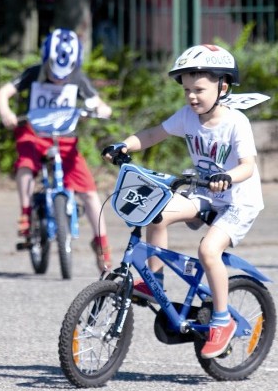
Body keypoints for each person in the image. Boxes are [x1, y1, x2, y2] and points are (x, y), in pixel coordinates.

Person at [102, 44, 264, 359]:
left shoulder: (235, 123)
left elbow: (248, 166)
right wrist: (125, 145)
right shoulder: (187, 117)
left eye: (199, 89)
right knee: (155, 214)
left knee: (207, 250)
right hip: (204, 192)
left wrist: (228, 177)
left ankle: (221, 321)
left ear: (223, 86)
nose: (191, 96)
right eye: (187, 89)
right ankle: (154, 281)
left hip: (237, 200)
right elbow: (152, 134)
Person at [0, 28, 113, 272]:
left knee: (90, 193)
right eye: (54, 74)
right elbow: (3, 92)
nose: (59, 80)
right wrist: (6, 112)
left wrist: (101, 110)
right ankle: (26, 212)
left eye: (64, 75)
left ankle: (102, 243)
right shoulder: (34, 73)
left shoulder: (78, 77)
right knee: (25, 165)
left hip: (65, 141)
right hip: (34, 134)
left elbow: (98, 103)